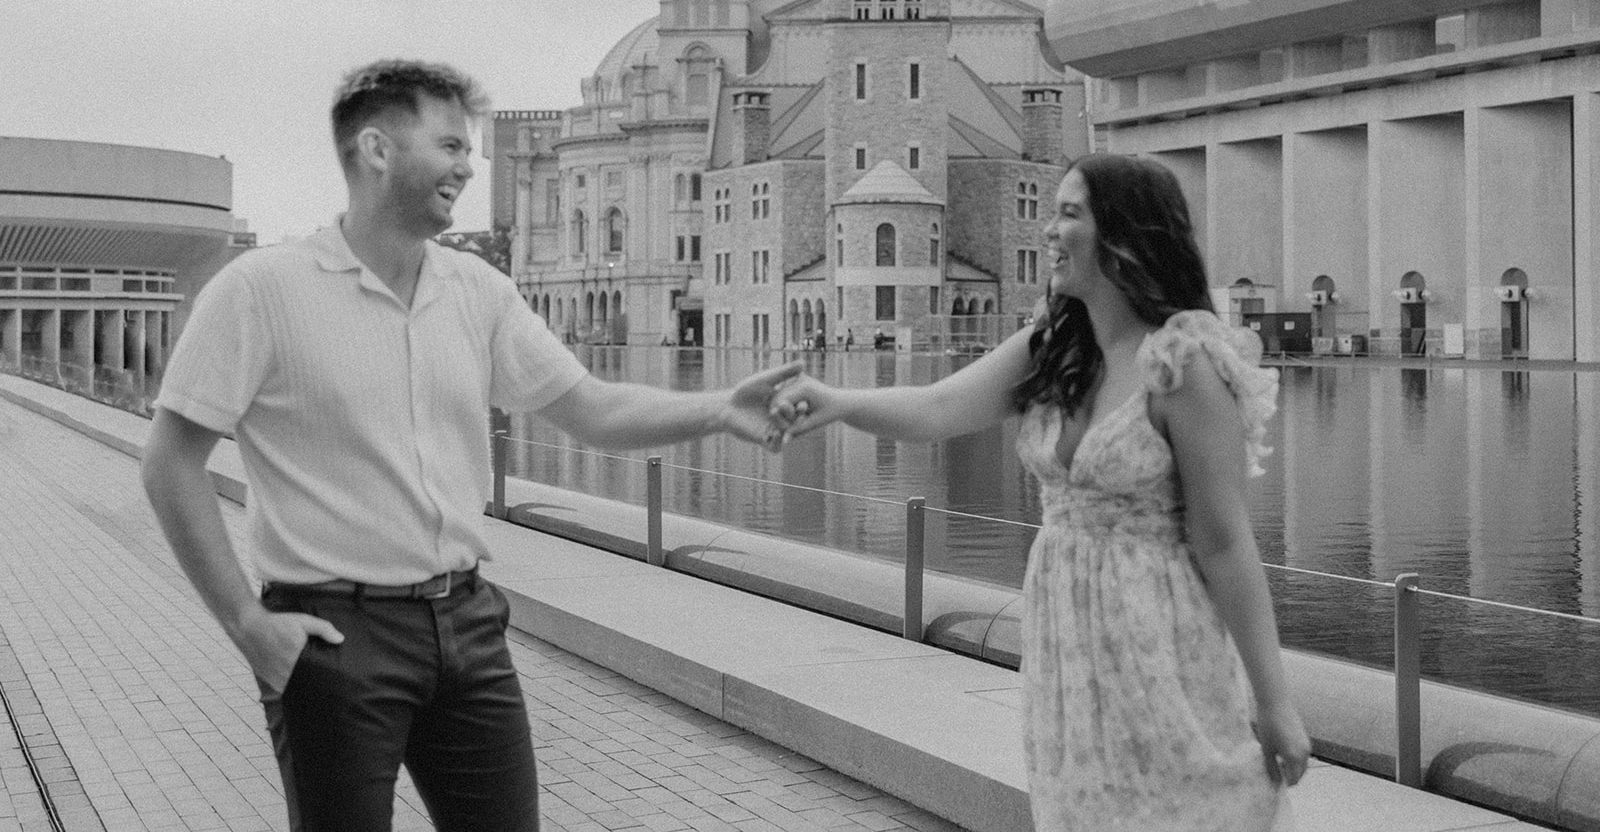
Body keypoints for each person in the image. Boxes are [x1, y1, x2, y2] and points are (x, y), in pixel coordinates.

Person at [141, 60, 800, 832]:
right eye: (450, 144)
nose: (469, 164)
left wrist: (721, 409)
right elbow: (169, 463)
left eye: (470, 148)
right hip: (334, 635)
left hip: (467, 623)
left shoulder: (477, 289)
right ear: (377, 148)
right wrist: (249, 627)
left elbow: (591, 407)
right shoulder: (260, 291)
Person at [772, 154, 1309, 831]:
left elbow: (1226, 541)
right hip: (1068, 652)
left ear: (1124, 234)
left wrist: (1275, 699)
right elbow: (939, 408)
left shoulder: (1184, 366)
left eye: (1069, 213)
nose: (1049, 231)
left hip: (1162, 646)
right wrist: (835, 401)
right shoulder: (1051, 347)